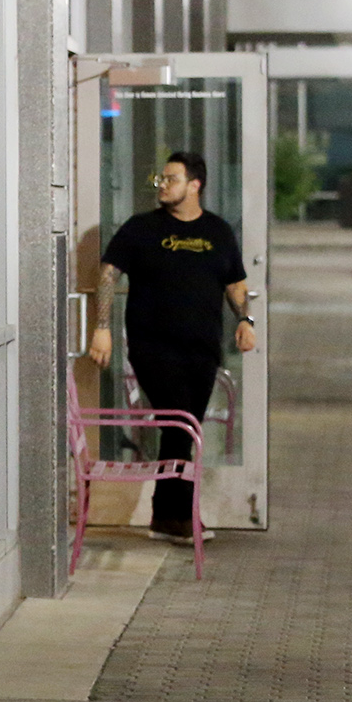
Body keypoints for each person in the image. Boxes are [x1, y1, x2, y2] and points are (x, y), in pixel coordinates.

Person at [87, 150, 256, 545]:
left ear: (195, 184)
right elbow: (109, 275)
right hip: (153, 347)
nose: (163, 185)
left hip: (202, 349)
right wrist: (102, 328)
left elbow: (235, 283)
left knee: (182, 429)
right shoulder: (141, 228)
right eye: (161, 179)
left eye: (172, 178)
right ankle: (182, 517)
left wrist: (245, 321)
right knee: (180, 423)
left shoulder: (217, 231)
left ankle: (165, 516)